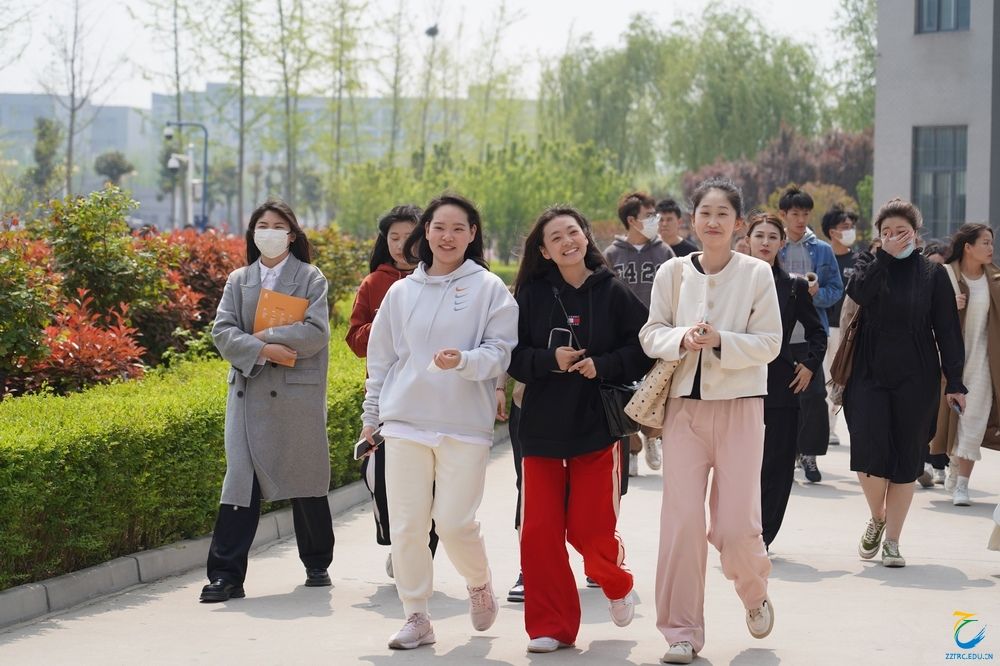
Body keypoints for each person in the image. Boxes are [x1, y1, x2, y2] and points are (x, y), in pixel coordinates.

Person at [359, 193, 518, 650]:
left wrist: (464, 360)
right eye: (439, 227)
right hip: (404, 422)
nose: (448, 237)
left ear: (472, 235)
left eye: (458, 228)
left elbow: (500, 352)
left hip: (463, 425)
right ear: (425, 232)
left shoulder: (489, 288)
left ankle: (479, 581)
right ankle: (416, 615)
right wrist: (372, 418)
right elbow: (381, 360)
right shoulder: (400, 292)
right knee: (408, 524)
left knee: (452, 522)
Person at [640, 178, 782, 664]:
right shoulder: (672, 272)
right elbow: (650, 333)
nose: (713, 221)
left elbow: (770, 342)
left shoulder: (756, 273)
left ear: (738, 223)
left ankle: (754, 592)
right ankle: (680, 632)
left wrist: (722, 340)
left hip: (741, 407)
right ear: (692, 219)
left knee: (736, 525)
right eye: (705, 212)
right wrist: (682, 338)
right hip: (683, 411)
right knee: (681, 523)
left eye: (723, 213)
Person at [508, 205, 653, 654]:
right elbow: (511, 356)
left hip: (597, 428)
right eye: (555, 238)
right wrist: (549, 360)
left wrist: (603, 365)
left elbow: (644, 347)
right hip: (541, 429)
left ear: (585, 237)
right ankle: (550, 626)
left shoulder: (612, 290)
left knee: (590, 531)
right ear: (544, 251)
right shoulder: (530, 295)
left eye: (573, 232)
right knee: (539, 532)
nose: (567, 242)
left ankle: (616, 581)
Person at [203, 200, 335, 602]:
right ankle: (225, 575)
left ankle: (317, 561)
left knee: (304, 476)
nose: (270, 232)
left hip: (296, 396)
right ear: (253, 233)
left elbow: (316, 332)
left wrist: (266, 337)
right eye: (263, 225)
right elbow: (222, 331)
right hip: (249, 393)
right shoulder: (238, 279)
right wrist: (262, 351)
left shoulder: (310, 278)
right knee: (240, 481)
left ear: (291, 235)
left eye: (279, 226)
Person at [843, 198, 966, 568]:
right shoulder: (868, 264)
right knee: (867, 450)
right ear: (878, 236)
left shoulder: (933, 274)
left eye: (902, 232)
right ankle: (877, 517)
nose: (895, 238)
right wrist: (883, 257)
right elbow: (858, 293)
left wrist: (955, 381)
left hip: (917, 375)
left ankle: (893, 541)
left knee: (906, 458)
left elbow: (948, 331)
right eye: (887, 232)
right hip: (868, 371)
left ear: (916, 233)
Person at [346, 205, 439, 579]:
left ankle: (420, 553)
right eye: (393, 238)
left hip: (433, 398)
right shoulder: (374, 284)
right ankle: (398, 544)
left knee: (431, 482)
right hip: (387, 400)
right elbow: (355, 341)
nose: (401, 245)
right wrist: (386, 319)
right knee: (381, 478)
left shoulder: (439, 280)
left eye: (408, 237)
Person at [746, 214, 826, 549]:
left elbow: (817, 332)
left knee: (777, 465)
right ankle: (738, 531)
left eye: (772, 237)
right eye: (759, 235)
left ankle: (763, 536)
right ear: (748, 240)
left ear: (782, 243)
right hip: (736, 385)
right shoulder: (730, 281)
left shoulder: (794, 286)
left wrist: (809, 365)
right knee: (741, 467)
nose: (765, 242)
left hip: (781, 384)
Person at [604, 191, 674, 477]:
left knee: (657, 390)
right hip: (625, 337)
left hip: (659, 333)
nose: (655, 220)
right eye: (649, 216)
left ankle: (653, 436)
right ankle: (631, 449)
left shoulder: (664, 252)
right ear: (632, 220)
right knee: (626, 395)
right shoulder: (612, 254)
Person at [776, 186, 843, 483]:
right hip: (777, 336)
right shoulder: (773, 246)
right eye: (795, 214)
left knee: (814, 395)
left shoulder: (823, 250)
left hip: (811, 334)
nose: (801, 219)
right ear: (783, 215)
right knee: (782, 397)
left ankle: (810, 454)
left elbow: (836, 289)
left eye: (805, 214)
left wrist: (816, 294)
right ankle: (787, 453)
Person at [930, 224, 1000, 505]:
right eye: (985, 242)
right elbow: (924, 314)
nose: (991, 248)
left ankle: (962, 484)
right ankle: (953, 464)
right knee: (948, 421)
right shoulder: (945, 275)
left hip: (984, 362)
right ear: (968, 247)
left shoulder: (995, 279)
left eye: (992, 242)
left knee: (973, 421)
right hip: (948, 361)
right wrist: (949, 306)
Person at [820, 206, 858, 446]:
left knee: (837, 378)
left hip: (846, 331)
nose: (850, 231)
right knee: (821, 378)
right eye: (845, 227)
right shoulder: (823, 257)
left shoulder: (858, 260)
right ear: (832, 231)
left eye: (851, 227)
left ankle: (831, 428)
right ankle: (821, 427)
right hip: (823, 326)